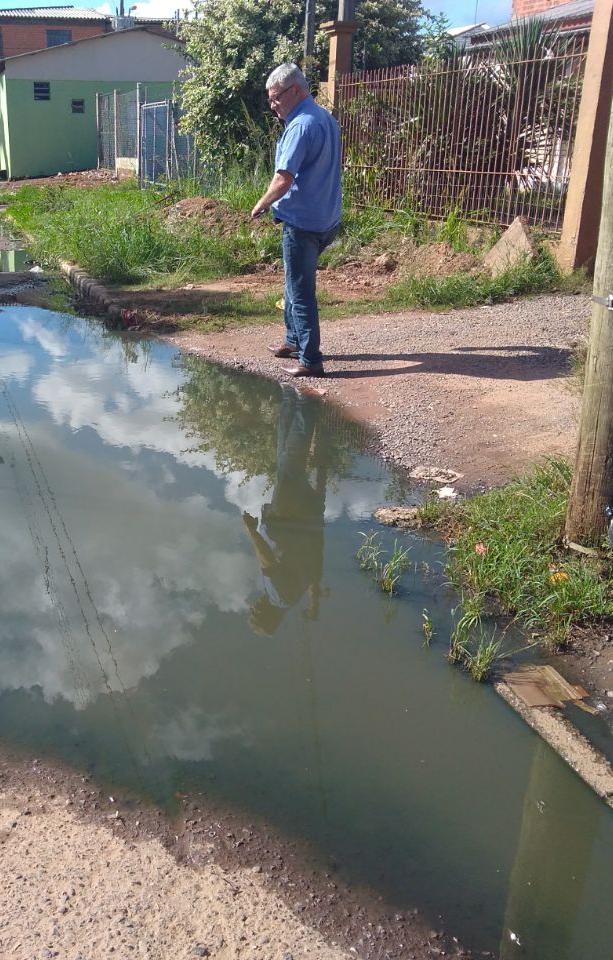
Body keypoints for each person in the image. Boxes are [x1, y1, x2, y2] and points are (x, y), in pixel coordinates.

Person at [251, 63, 343, 378]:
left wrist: (262, 203)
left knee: (301, 292)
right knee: (294, 282)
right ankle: (293, 340)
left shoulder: (301, 125)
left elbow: (283, 178)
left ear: (296, 91)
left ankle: (310, 359)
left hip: (303, 223)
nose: (272, 104)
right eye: (270, 98)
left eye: (276, 97)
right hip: (326, 217)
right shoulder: (325, 118)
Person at [242, 386, 327, 636]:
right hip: (288, 518)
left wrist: (314, 601)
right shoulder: (280, 597)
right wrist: (251, 532)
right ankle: (306, 403)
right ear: (267, 616)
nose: (254, 607)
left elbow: (313, 570)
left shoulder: (286, 598)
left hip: (294, 518)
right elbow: (268, 561)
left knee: (283, 457)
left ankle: (290, 397)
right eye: (256, 613)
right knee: (291, 461)